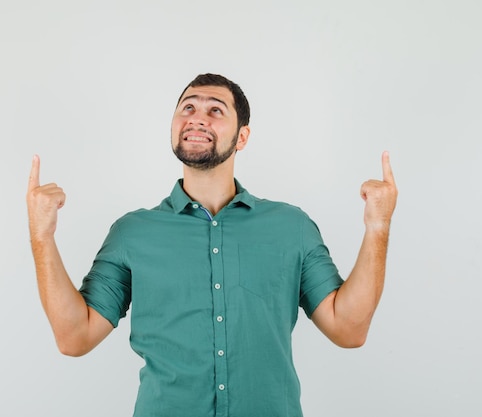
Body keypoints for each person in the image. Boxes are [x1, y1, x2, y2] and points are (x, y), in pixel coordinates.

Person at [26, 73, 398, 417]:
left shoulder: (291, 227)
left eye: (215, 110)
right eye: (187, 107)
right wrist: (41, 236)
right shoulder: (132, 233)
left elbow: (349, 330)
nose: (197, 117)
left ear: (242, 137)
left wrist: (378, 225)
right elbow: (75, 337)